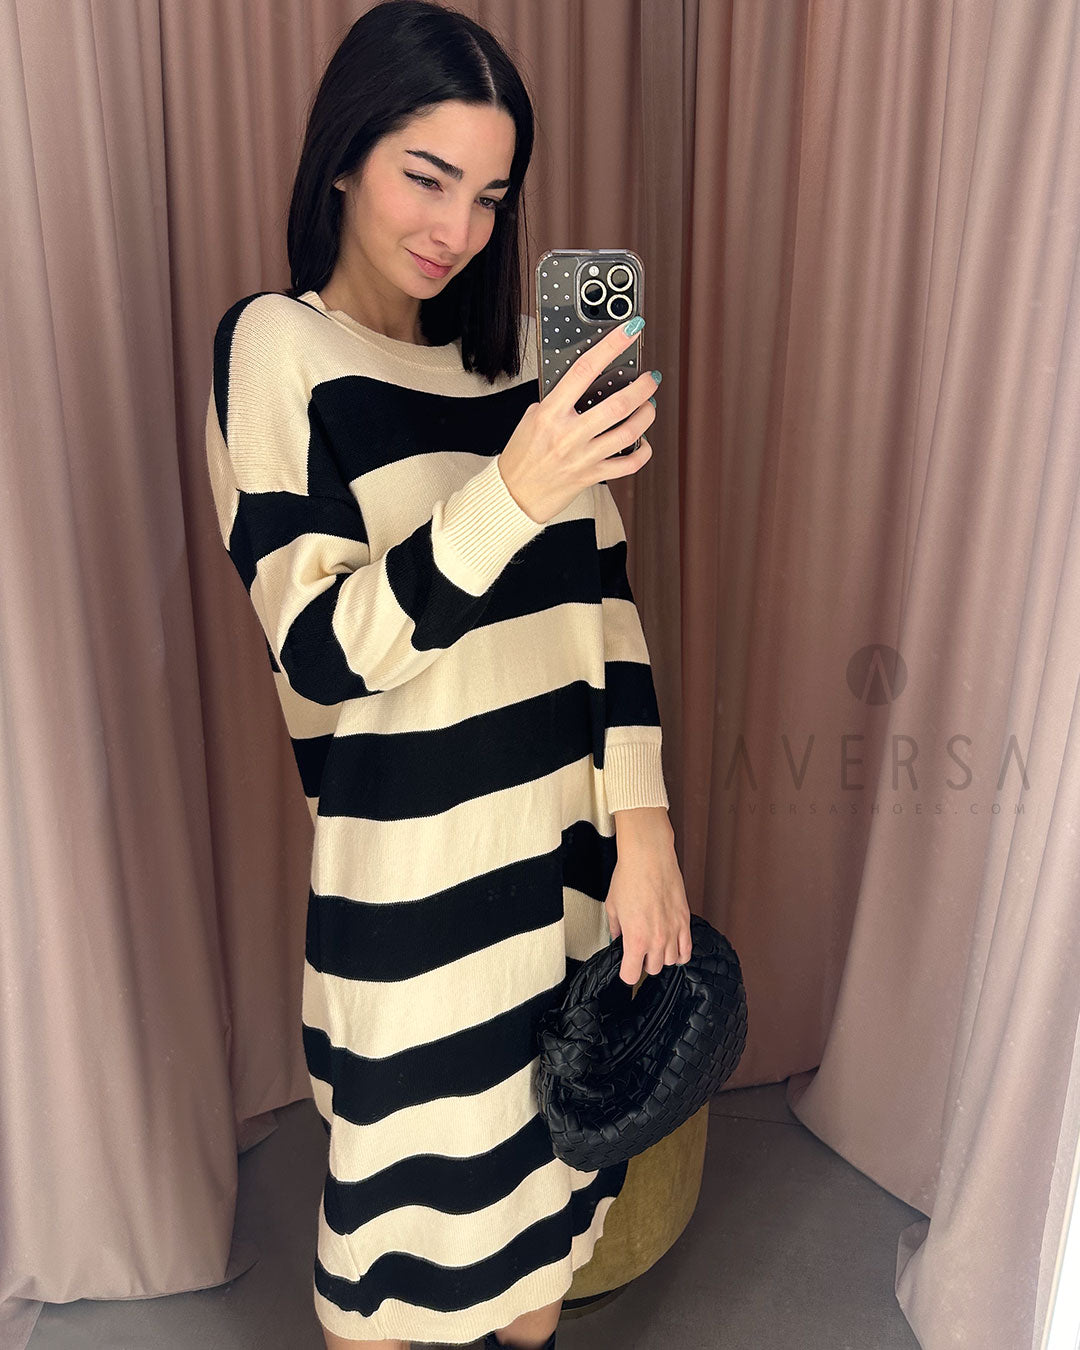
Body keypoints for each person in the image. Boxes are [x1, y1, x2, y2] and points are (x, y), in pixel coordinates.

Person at [204, 3, 691, 1346]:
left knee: (541, 1252)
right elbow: (322, 651)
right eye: (428, 177)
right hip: (410, 892)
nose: (458, 228)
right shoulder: (278, 348)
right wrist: (514, 489)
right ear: (345, 157)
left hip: (566, 863)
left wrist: (645, 824)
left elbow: (605, 606)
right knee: (390, 1268)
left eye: (489, 195)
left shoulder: (528, 366)